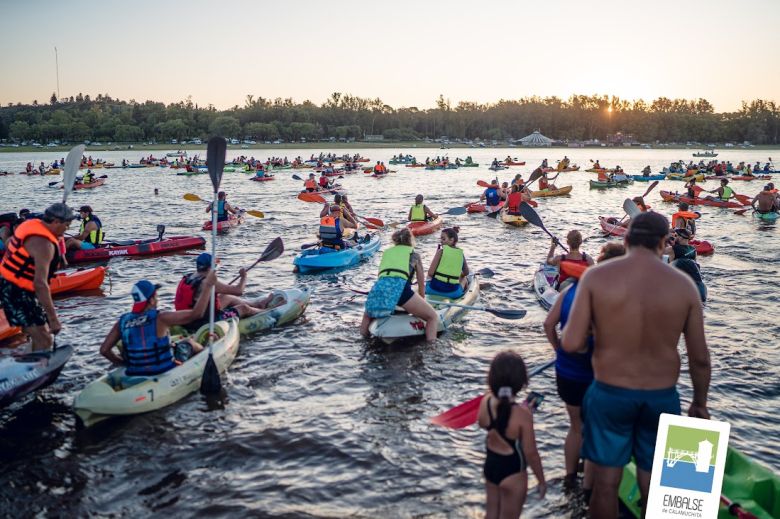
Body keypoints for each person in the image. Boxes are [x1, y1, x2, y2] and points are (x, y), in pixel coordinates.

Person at [561, 212, 711, 519]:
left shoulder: (596, 277)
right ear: (663, 243)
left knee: (605, 485)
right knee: (658, 482)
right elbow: (699, 358)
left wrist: (600, 327)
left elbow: (572, 343)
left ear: (626, 239)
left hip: (610, 393)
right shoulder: (684, 286)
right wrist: (700, 403)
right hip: (661, 396)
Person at [543, 242, 625, 493]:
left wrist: (558, 351)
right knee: (594, 429)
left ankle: (569, 479)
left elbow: (548, 325)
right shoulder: (615, 298)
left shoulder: (570, 290)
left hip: (567, 371)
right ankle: (588, 490)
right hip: (596, 374)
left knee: (575, 427)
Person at [99, 274, 218, 374]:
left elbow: (104, 350)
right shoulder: (161, 318)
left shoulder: (122, 321)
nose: (157, 299)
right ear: (151, 300)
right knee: (188, 343)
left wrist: (123, 363)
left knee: (172, 344)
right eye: (156, 296)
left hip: (134, 371)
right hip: (163, 370)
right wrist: (208, 286)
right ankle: (206, 355)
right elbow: (196, 314)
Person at [478, 351, 546, 519]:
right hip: (513, 471)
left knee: (491, 514)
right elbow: (531, 453)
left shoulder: (486, 401)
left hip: (491, 465)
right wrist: (542, 481)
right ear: (522, 382)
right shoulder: (523, 414)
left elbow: (482, 423)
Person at [0, 203, 75, 351]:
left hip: (7, 283)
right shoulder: (44, 244)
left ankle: (29, 361)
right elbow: (40, 284)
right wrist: (53, 318)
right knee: (45, 338)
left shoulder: (29, 225)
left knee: (38, 334)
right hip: (17, 290)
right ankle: (34, 371)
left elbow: (9, 243)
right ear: (55, 222)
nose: (67, 229)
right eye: (67, 225)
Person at [360, 228, 439, 342]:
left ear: (395, 240)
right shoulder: (414, 255)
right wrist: (422, 301)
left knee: (367, 315)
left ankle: (363, 340)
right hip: (401, 290)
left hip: (379, 287)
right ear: (410, 240)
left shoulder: (387, 253)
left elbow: (382, 276)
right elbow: (421, 284)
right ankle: (432, 347)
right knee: (432, 317)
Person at [174, 253, 276, 333]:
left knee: (226, 297)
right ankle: (267, 311)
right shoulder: (208, 281)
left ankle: (258, 305)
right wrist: (244, 277)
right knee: (243, 308)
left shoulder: (189, 277)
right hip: (203, 322)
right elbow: (239, 290)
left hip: (187, 318)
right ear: (210, 268)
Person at [426, 227, 469, 297]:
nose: (441, 241)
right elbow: (466, 273)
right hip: (453, 293)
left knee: (428, 276)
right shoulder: (461, 254)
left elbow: (430, 273)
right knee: (464, 278)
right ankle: (464, 296)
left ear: (451, 240)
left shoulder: (440, 252)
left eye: (443, 239)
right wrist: (460, 275)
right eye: (441, 239)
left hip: (432, 290)